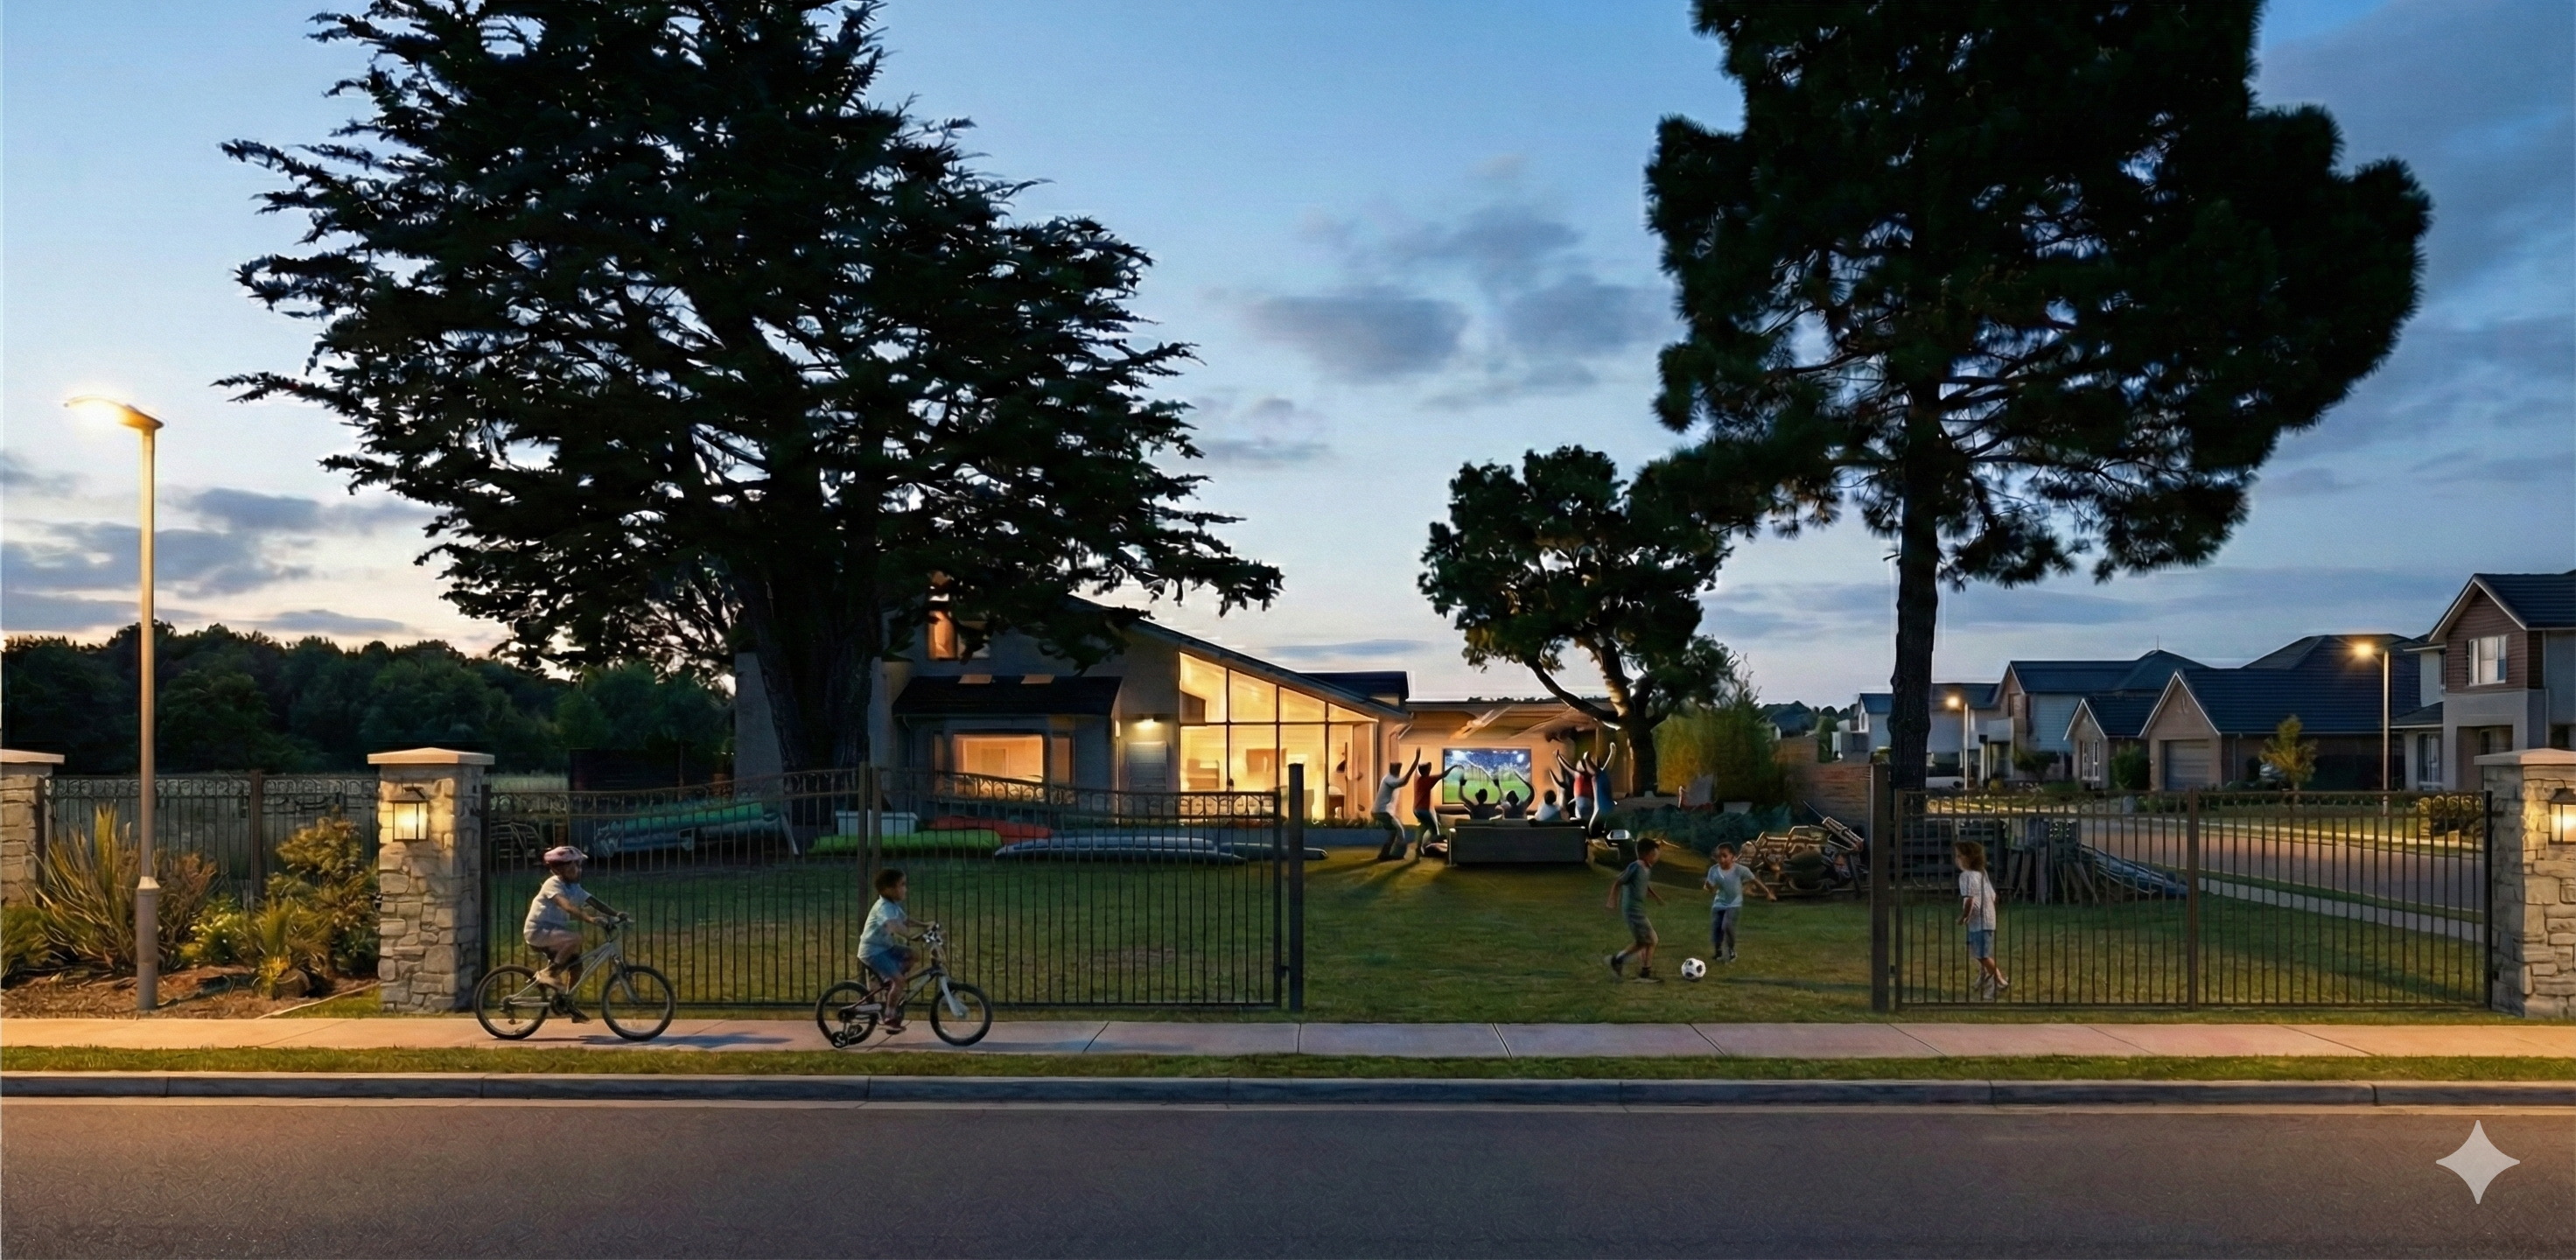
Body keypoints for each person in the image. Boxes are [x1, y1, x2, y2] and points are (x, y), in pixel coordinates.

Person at [523, 844, 615, 1021]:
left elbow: (594, 902)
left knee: (576, 965)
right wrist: (589, 919)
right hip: (538, 931)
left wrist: (616, 914)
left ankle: (567, 1003)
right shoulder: (553, 884)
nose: (578, 870)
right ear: (560, 868)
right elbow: (566, 906)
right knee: (575, 938)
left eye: (579, 865)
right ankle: (549, 973)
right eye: (574, 866)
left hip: (552, 933)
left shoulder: (573, 887)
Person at [861, 866, 927, 1032]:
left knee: (912, 955)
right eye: (902, 885)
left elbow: (905, 920)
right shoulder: (884, 907)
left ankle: (892, 983)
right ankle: (889, 1015)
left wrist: (926, 925)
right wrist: (912, 936)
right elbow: (894, 925)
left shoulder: (893, 905)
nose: (905, 888)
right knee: (899, 980)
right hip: (873, 951)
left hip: (885, 947)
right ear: (888, 890)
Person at [1605, 837, 1667, 982]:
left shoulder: (1646, 868)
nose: (1657, 858)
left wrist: (1656, 897)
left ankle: (1618, 960)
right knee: (1652, 939)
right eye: (1655, 854)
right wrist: (1612, 899)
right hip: (1633, 911)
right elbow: (1619, 881)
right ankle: (1645, 973)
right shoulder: (1636, 866)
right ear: (1646, 854)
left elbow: (1644, 886)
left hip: (1638, 910)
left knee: (1642, 942)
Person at [1955, 841, 2010, 999]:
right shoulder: (1982, 873)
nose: (1957, 859)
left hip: (1980, 921)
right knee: (1978, 951)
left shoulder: (1967, 876)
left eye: (1959, 856)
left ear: (1968, 858)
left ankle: (1999, 980)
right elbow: (1993, 897)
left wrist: (1964, 916)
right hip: (1985, 919)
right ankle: (1985, 975)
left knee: (1981, 954)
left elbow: (1969, 899)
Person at [1703, 844, 1748, 964]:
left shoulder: (1738, 870)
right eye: (1718, 856)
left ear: (1733, 856)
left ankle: (1731, 949)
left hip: (1734, 904)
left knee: (1727, 925)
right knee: (1717, 927)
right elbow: (1710, 888)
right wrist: (1709, 886)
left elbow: (1749, 880)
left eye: (1724, 856)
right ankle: (1718, 951)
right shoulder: (1714, 870)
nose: (1721, 859)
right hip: (1719, 903)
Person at [1373, 756, 1418, 861]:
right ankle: (1398, 854)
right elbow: (1404, 781)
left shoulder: (1391, 778)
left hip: (1383, 812)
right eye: (1395, 769)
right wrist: (1414, 763)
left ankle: (1384, 855)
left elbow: (1402, 781)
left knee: (1394, 832)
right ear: (1391, 769)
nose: (1396, 771)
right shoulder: (1389, 779)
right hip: (1382, 811)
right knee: (1400, 830)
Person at [1404, 759, 1450, 859]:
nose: (1430, 769)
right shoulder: (1429, 780)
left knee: (1425, 827)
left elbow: (1415, 769)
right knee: (1435, 832)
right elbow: (1443, 775)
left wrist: (1417, 758)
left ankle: (1419, 847)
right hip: (1425, 810)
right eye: (1429, 768)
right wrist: (1453, 767)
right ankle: (1433, 849)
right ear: (1426, 771)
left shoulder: (1418, 780)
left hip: (1416, 810)